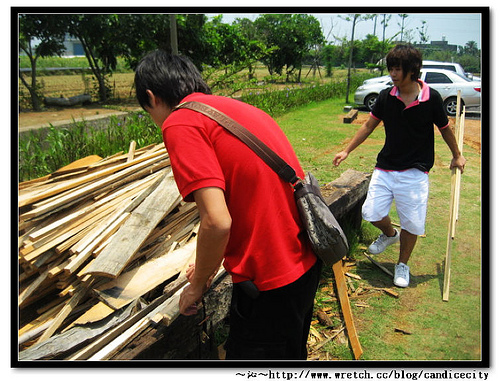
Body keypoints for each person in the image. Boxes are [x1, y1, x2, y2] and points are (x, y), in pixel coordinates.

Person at [134, 50, 321, 360]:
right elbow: (250, 194)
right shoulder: (235, 109)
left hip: (268, 280)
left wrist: (195, 287)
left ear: (151, 97)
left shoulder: (180, 122)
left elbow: (217, 221)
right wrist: (208, 263)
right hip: (304, 262)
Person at [333, 44, 466, 288]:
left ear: (412, 70)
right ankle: (389, 234)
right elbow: (368, 126)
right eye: (391, 68)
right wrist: (346, 150)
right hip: (386, 166)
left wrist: (457, 155)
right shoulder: (386, 96)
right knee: (370, 213)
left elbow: (445, 129)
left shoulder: (432, 98)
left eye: (398, 69)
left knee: (413, 222)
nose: (393, 74)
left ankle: (402, 264)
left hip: (415, 170)